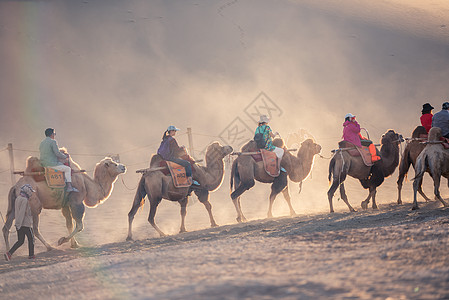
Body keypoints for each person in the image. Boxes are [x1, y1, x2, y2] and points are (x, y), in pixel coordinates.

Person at [39, 128, 78, 193]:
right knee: (68, 169)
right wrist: (65, 157)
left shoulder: (42, 143)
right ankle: (69, 186)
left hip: (43, 164)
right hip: (51, 164)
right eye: (54, 134)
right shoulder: (53, 142)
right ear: (52, 134)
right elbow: (57, 153)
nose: (54, 135)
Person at [4, 184, 36, 261]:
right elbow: (22, 212)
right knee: (31, 239)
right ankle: (31, 255)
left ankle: (9, 253)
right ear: (27, 192)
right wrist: (19, 224)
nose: (31, 194)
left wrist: (18, 224)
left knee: (20, 241)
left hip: (19, 224)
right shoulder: (25, 200)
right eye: (30, 192)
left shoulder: (18, 198)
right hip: (25, 224)